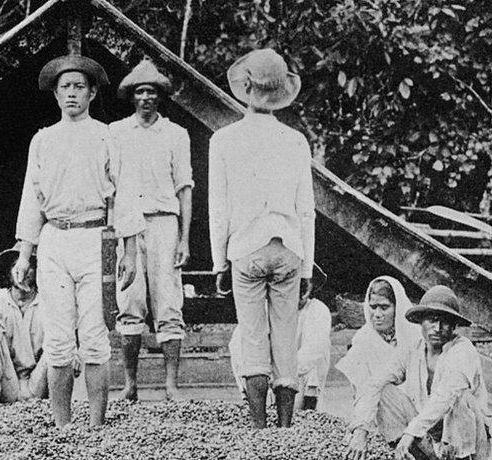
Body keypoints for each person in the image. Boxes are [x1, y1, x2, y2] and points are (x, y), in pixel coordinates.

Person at [12, 54, 143, 428]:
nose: (71, 94)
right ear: (55, 94)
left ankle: (97, 425)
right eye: (65, 87)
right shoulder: (42, 140)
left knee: (94, 333)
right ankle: (62, 426)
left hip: (94, 238)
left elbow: (126, 195)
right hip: (55, 239)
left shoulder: (107, 136)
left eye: (79, 87)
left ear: (92, 92)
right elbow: (31, 199)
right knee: (57, 336)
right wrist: (25, 254)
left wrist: (129, 251)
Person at [209, 48, 316, 428]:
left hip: (246, 248)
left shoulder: (223, 140)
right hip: (288, 248)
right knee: (285, 334)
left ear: (245, 89)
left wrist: (218, 262)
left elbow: (218, 207)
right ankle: (285, 427)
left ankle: (258, 427)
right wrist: (306, 265)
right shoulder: (295, 141)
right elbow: (306, 209)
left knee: (253, 335)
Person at [343, 285, 492, 460]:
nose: (437, 328)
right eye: (431, 320)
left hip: (468, 444)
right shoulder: (413, 348)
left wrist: (411, 432)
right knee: (383, 390)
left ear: (454, 325)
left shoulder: (463, 351)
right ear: (421, 322)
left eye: (445, 322)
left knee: (460, 395)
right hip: (431, 439)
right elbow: (374, 384)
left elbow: (445, 397)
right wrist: (361, 431)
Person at [110, 57, 194, 402]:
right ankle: (130, 385)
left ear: (160, 96)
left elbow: (184, 187)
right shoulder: (115, 132)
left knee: (169, 303)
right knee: (129, 301)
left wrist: (185, 239)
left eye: (152, 92)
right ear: (132, 96)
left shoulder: (176, 134)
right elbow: (111, 188)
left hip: (164, 223)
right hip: (128, 225)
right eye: (140, 92)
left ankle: (171, 386)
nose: (146, 98)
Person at [229, 265, 331, 411]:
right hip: (266, 376)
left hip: (298, 379)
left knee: (320, 352)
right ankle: (250, 401)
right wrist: (263, 372)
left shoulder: (317, 310)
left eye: (303, 290)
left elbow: (313, 351)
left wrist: (283, 374)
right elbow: (237, 343)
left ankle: (309, 409)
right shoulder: (265, 308)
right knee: (238, 344)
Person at [0, 245, 48, 404]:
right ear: (8, 273)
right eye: (14, 266)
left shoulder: (46, 301)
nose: (22, 272)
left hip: (37, 381)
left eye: (28, 266)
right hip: (6, 380)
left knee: (58, 339)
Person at [335, 276, 421, 395]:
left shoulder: (414, 336)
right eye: (373, 307)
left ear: (397, 308)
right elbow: (359, 389)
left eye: (384, 307)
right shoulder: (363, 338)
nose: (377, 314)